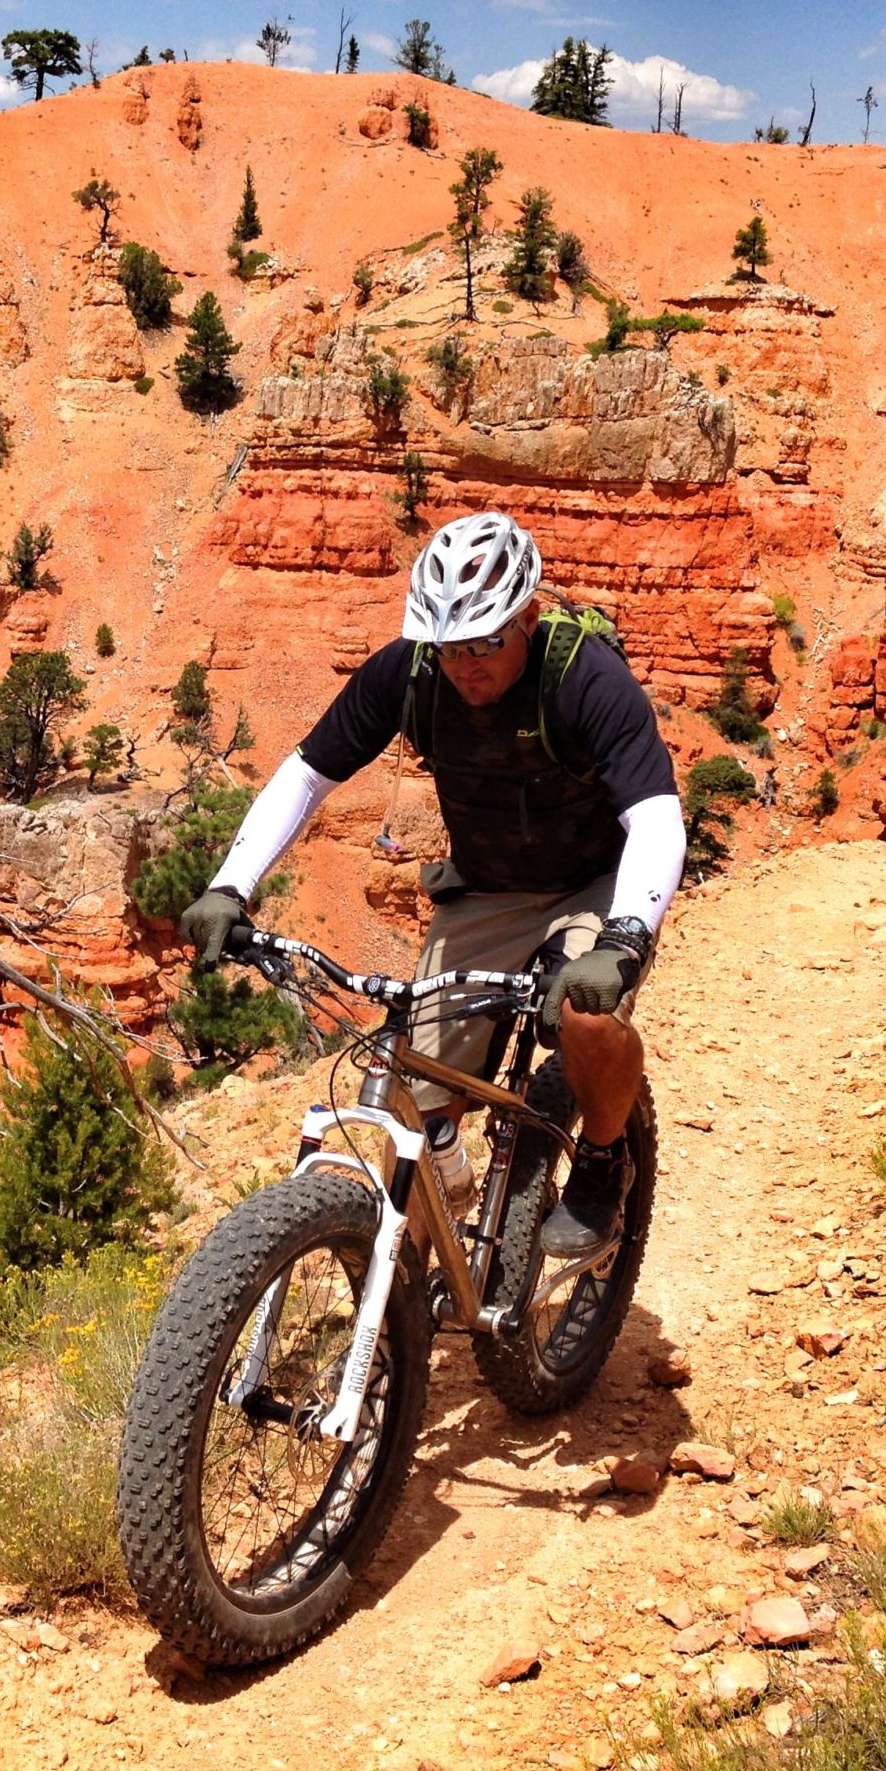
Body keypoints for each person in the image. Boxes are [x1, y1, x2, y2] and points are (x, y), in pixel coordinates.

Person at [179, 512, 686, 1257]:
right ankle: (425, 1253)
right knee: (413, 1089)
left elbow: (656, 819)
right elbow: (309, 774)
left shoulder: (584, 679)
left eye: (484, 643)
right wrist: (231, 884)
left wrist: (623, 939)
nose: (463, 666)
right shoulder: (409, 675)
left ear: (528, 618)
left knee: (584, 1015)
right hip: (486, 890)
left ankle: (605, 1159)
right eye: (447, 647)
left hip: (595, 882)